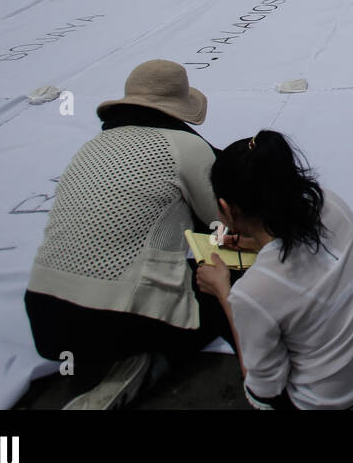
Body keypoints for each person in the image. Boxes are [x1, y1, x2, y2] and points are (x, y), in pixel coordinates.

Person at [24, 60, 232, 409]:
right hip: (118, 325)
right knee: (225, 286)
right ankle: (145, 364)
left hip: (45, 320)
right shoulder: (185, 147)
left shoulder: (90, 147)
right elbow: (224, 220)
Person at [194, 130, 353, 409]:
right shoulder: (330, 203)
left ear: (227, 209)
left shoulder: (252, 292)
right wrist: (255, 243)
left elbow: (264, 390)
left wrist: (223, 291)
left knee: (219, 308)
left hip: (336, 400)